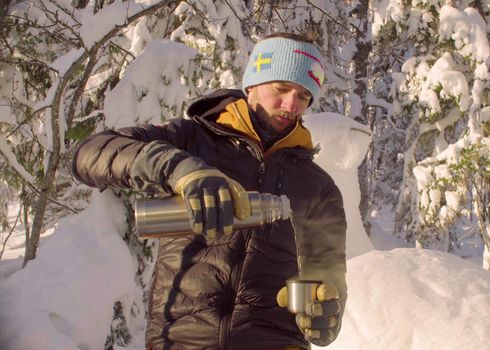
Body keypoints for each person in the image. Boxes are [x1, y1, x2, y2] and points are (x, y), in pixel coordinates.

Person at [72, 32, 347, 350]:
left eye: (303, 96)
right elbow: (89, 154)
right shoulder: (191, 139)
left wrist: (324, 316)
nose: (291, 105)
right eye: (281, 88)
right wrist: (181, 170)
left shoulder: (318, 187)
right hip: (181, 341)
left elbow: (329, 277)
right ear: (253, 84)